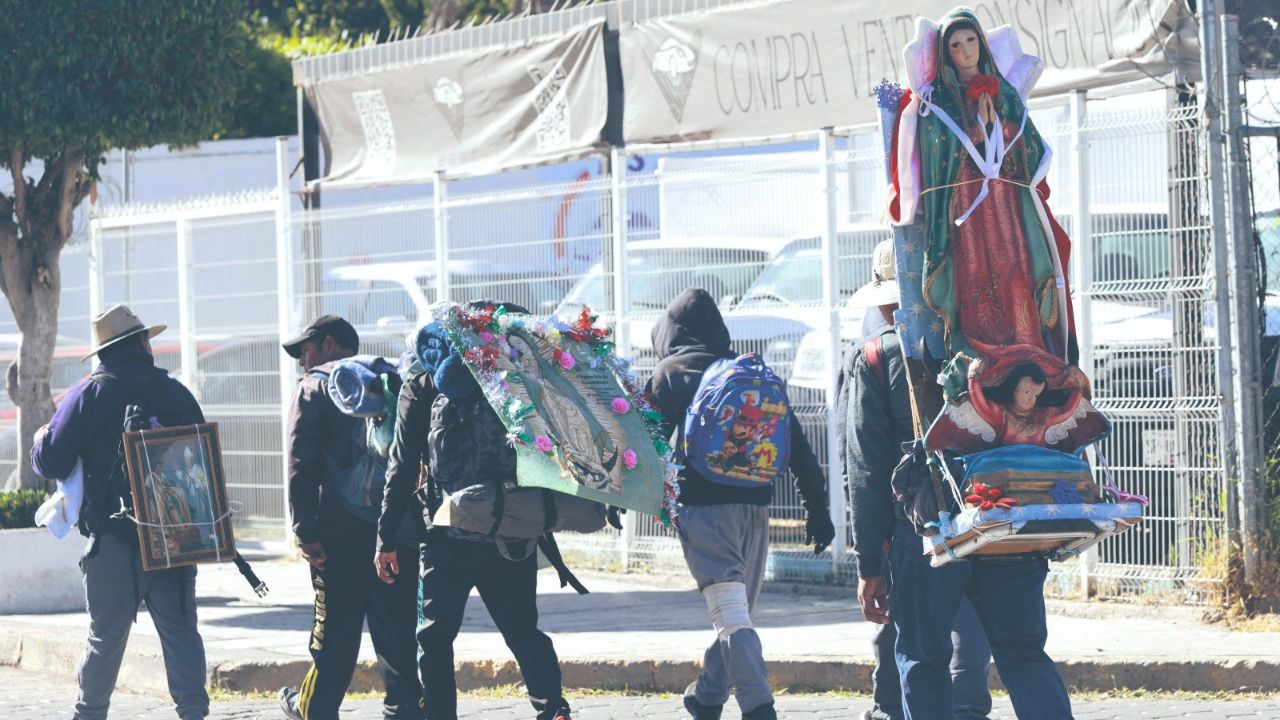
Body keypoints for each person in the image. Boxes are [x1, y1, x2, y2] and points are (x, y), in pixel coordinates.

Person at [644, 288, 836, 720]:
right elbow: (799, 448)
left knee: (731, 615)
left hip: (703, 510)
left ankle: (758, 705)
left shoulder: (671, 371)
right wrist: (817, 510)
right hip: (755, 507)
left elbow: (642, 444)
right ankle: (708, 696)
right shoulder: (752, 373)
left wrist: (624, 499)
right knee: (735, 612)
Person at [375, 306, 574, 720]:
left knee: (434, 638)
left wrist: (386, 538)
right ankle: (553, 708)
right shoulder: (512, 379)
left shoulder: (422, 384)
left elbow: (402, 465)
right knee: (522, 631)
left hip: (448, 532)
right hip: (511, 529)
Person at [888, 6, 1079, 397]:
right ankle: (980, 350)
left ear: (981, 43)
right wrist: (976, 131)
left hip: (1006, 203)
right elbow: (936, 151)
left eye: (971, 41)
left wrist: (998, 124)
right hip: (966, 209)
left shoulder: (1002, 91)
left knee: (1016, 269)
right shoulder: (937, 100)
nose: (965, 51)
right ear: (946, 53)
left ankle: (1025, 342)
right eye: (956, 45)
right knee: (974, 274)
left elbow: (1029, 147)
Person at [31, 304, 209, 720]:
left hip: (112, 541)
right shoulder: (174, 391)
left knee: (105, 636)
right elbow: (201, 457)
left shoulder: (87, 394)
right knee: (181, 633)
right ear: (142, 344)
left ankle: (88, 714)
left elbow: (51, 462)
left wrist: (42, 438)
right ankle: (194, 712)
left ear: (105, 351)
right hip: (173, 536)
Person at [840, 241, 993, 720]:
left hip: (918, 524)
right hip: (991, 509)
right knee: (976, 624)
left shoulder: (875, 355)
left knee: (920, 654)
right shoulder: (981, 344)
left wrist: (869, 564)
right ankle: (968, 704)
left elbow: (865, 472)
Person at [277, 315, 424, 720]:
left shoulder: (313, 388)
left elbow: (300, 463)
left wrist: (305, 530)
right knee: (397, 630)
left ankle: (316, 709)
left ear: (328, 344)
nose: (301, 361)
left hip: (337, 535)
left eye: (304, 350)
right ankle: (404, 709)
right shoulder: (392, 378)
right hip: (394, 533)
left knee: (335, 632)